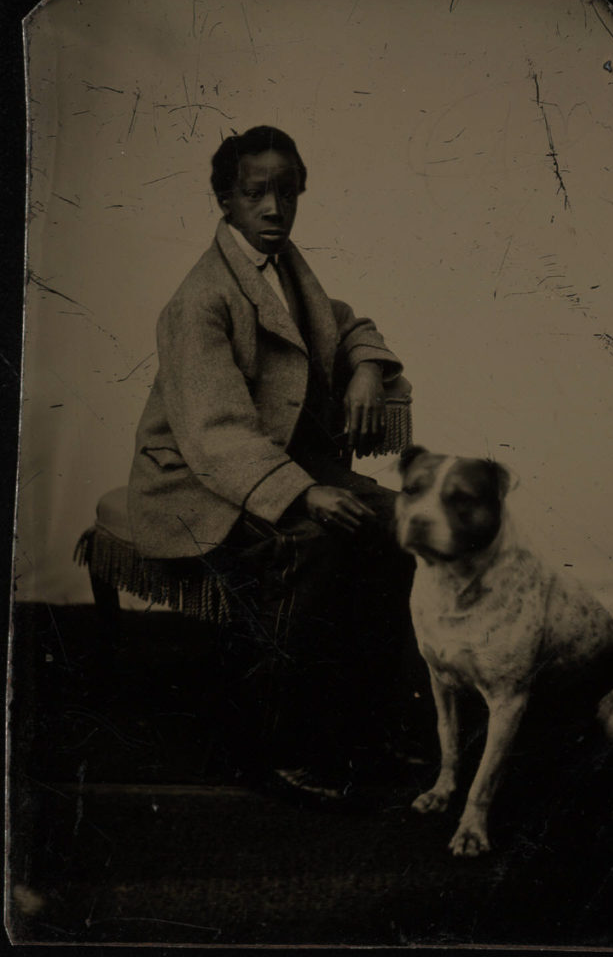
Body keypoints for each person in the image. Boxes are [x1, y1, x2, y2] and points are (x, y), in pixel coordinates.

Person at [128, 126, 416, 800]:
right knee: (314, 539)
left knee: (399, 526)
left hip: (276, 459)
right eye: (256, 193)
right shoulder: (200, 298)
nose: (274, 209)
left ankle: (366, 730)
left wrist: (367, 369)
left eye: (286, 191)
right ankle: (278, 748)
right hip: (197, 477)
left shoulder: (285, 267)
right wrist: (304, 492)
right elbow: (215, 431)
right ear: (225, 199)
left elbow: (344, 324)